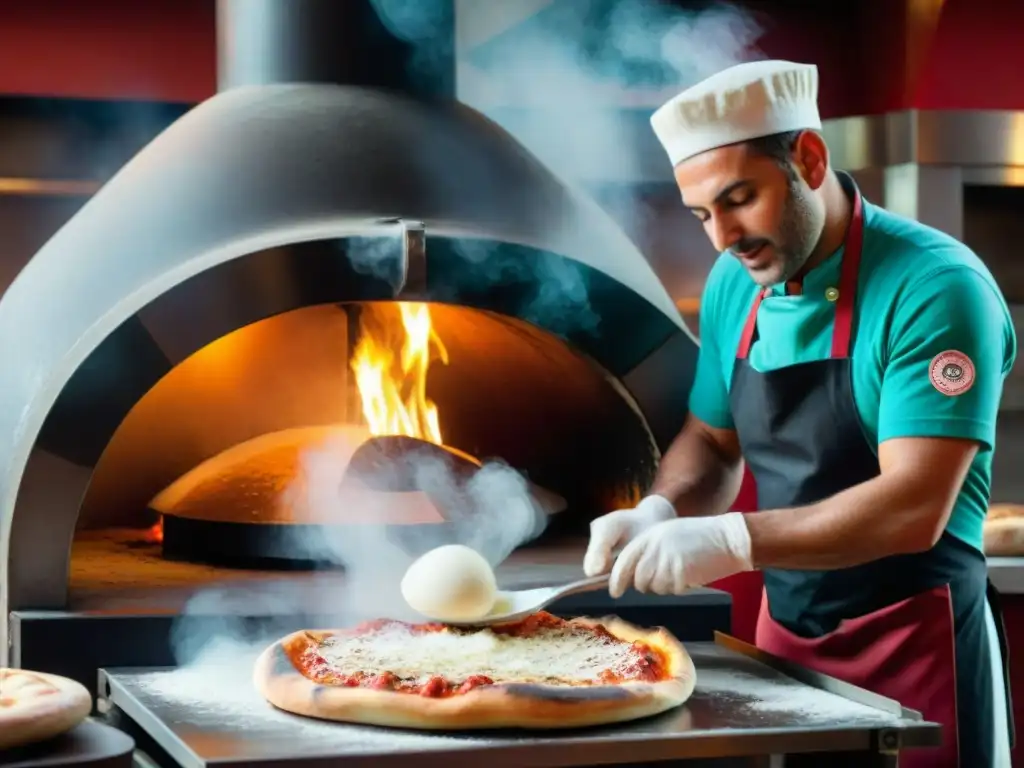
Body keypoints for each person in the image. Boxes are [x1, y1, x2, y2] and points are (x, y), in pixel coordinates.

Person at [583, 59, 1016, 767]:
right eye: (702, 215)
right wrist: (660, 509)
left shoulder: (936, 287)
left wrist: (729, 541)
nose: (722, 236)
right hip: (787, 651)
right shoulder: (735, 283)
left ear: (809, 159)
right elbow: (711, 442)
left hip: (919, 646)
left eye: (739, 199)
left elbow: (913, 505)